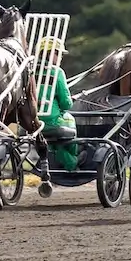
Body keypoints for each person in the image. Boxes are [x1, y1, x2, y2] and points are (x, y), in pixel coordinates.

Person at [34, 37, 79, 178]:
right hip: (51, 122)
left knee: (52, 139)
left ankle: (57, 158)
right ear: (49, 53)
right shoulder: (57, 72)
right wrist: (69, 100)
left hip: (30, 124)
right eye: (58, 54)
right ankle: (72, 161)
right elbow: (66, 104)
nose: (60, 58)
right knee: (70, 120)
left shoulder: (29, 70)